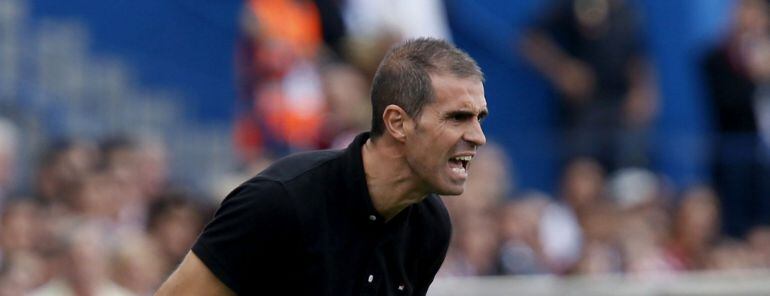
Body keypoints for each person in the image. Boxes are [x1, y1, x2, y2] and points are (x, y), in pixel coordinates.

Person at [156, 38, 488, 295]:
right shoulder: (280, 201)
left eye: (479, 118)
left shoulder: (430, 225)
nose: (478, 137)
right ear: (397, 123)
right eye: (457, 117)